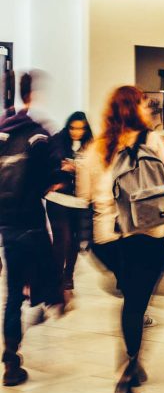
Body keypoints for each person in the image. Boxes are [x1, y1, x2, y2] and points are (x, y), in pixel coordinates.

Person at [77, 85, 164, 393]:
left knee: (132, 300)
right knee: (137, 304)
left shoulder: (95, 148)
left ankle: (133, 363)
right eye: (144, 105)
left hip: (109, 239)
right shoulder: (152, 140)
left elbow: (84, 195)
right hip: (148, 232)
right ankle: (126, 372)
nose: (147, 110)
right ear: (135, 108)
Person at [0, 72, 64, 386]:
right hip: (32, 222)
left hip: (6, 224)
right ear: (33, 93)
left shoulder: (1, 132)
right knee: (48, 266)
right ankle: (52, 297)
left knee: (12, 294)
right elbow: (55, 176)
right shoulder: (40, 134)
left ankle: (11, 358)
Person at [47, 112, 93, 299]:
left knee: (74, 241)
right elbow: (51, 163)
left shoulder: (91, 146)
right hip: (58, 199)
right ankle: (56, 281)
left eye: (80, 128)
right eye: (73, 128)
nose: (76, 132)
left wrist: (76, 168)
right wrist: (60, 171)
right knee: (62, 240)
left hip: (80, 201)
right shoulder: (58, 140)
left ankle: (68, 277)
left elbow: (94, 169)